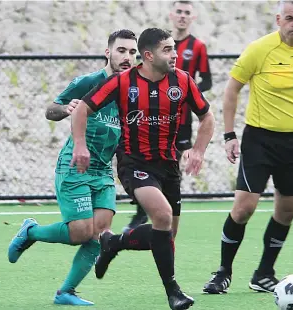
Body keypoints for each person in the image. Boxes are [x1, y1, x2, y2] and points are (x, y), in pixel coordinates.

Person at [71, 28, 215, 310]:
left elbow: (207, 115)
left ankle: (113, 243)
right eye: (167, 50)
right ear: (148, 55)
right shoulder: (123, 82)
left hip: (168, 165)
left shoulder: (182, 80)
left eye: (174, 48)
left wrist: (198, 150)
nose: (175, 54)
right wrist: (80, 145)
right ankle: (173, 292)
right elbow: (81, 110)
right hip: (134, 163)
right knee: (161, 216)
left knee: (167, 236)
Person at [203, 0, 293, 295]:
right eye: (290, 18)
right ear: (278, 19)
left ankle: (264, 273)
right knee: (244, 207)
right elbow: (231, 90)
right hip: (260, 140)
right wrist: (229, 135)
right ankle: (223, 272)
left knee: (287, 211)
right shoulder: (259, 49)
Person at [8, 29, 138, 306]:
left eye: (132, 52)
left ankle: (66, 292)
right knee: (80, 232)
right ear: (108, 53)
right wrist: (67, 108)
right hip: (75, 167)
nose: (127, 57)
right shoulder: (88, 82)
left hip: (103, 171)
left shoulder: (132, 91)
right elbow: (50, 110)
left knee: (99, 233)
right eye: (121, 50)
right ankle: (30, 231)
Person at [123, 0, 212, 232]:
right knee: (145, 158)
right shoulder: (159, 43)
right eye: (179, 12)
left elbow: (208, 80)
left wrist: (184, 94)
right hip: (148, 118)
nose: (182, 16)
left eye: (187, 13)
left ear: (193, 18)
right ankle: (144, 211)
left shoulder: (198, 47)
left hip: (181, 119)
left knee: (172, 163)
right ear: (172, 15)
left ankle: (164, 213)